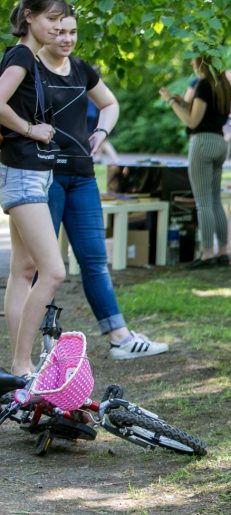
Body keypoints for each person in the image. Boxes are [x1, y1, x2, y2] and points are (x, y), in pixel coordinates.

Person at [33, 9, 167, 360]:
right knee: (43, 267)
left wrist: (101, 132)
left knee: (94, 261)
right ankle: (44, 343)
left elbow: (109, 103)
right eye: (60, 30)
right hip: (43, 177)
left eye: (73, 32)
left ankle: (120, 338)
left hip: (81, 177)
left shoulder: (81, 69)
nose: (66, 38)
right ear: (44, 29)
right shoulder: (29, 67)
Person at [0, 0, 69, 376]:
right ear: (29, 16)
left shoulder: (28, 59)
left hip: (28, 171)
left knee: (23, 270)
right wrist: (30, 129)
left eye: (63, 22)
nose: (58, 29)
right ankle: (23, 363)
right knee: (52, 271)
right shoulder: (22, 56)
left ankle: (19, 370)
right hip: (23, 172)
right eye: (52, 20)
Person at [160, 55, 231, 268]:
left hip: (202, 143)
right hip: (220, 142)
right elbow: (203, 111)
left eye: (193, 59)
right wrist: (182, 101)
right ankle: (223, 252)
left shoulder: (203, 85)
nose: (191, 63)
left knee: (203, 203)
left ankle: (207, 253)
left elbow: (192, 121)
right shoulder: (223, 85)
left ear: (201, 62)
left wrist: (172, 102)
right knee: (216, 200)